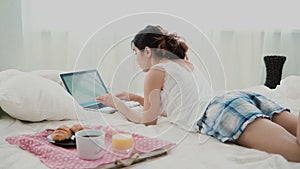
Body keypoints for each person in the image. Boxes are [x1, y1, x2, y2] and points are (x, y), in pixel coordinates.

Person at [96, 25, 300, 162]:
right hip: (233, 98)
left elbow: (148, 120)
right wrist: (135, 98)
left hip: (220, 111)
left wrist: (116, 103)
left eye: (135, 53)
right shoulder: (182, 63)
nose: (135, 59)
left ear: (147, 51)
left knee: (296, 152)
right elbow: (177, 106)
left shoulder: (155, 72)